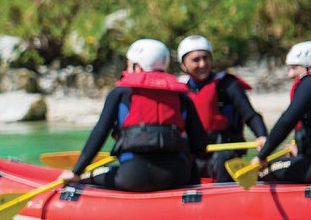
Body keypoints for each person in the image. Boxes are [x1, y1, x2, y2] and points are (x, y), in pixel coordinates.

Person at [61, 38, 209, 192]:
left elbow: (99, 133)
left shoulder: (120, 93)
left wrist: (76, 172)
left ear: (137, 66)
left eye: (129, 63)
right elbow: (200, 144)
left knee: (86, 180)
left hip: (133, 177)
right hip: (177, 177)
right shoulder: (182, 96)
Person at [175, 35, 267, 181]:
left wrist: (262, 135)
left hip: (224, 152)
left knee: (223, 160)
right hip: (195, 153)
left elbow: (250, 115)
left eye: (206, 58)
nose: (203, 64)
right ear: (183, 65)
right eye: (195, 60)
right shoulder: (179, 90)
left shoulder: (228, 85)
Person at [244, 41, 311, 184]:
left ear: (308, 67)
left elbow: (287, 121)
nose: (290, 74)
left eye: (294, 68)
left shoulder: (308, 82)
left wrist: (262, 156)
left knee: (265, 170)